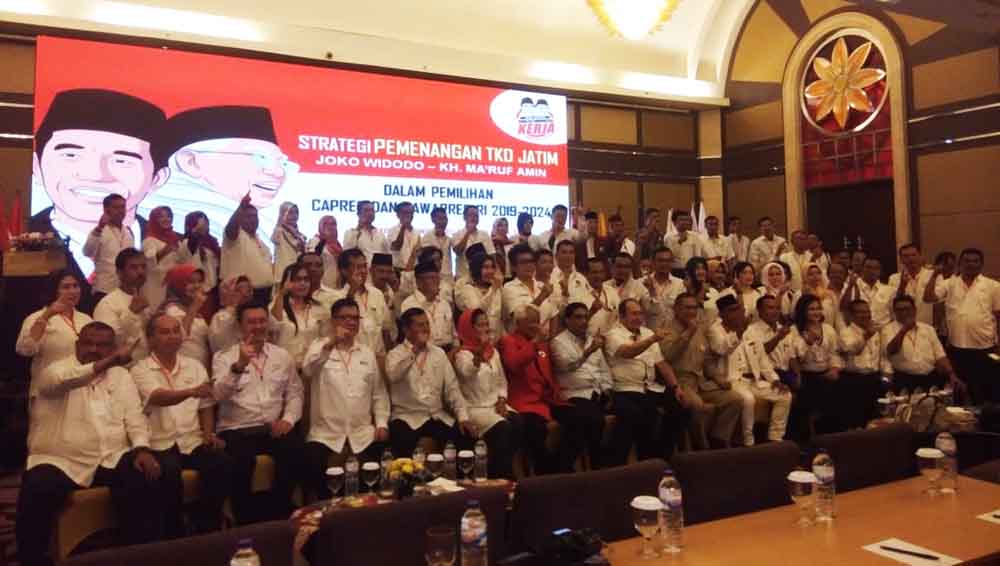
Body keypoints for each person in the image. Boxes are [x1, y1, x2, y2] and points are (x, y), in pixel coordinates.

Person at [16, 322, 165, 566]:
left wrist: (141, 448)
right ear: (77, 345)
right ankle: (32, 559)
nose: (94, 349)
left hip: (111, 457)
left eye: (103, 345)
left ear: (112, 348)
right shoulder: (55, 370)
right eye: (88, 343)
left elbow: (134, 417)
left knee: (145, 473)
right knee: (37, 485)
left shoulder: (121, 375)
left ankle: (136, 553)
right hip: (62, 460)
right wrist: (108, 361)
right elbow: (65, 380)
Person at [30, 89, 166, 290]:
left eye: (122, 160)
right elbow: (88, 251)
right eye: (70, 155)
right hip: (101, 290)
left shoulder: (146, 235)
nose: (95, 174)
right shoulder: (30, 238)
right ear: (37, 167)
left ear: (157, 178)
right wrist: (98, 230)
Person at [132, 313, 231, 535]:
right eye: (165, 332)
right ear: (151, 339)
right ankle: (174, 535)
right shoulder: (140, 369)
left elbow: (205, 404)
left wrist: (208, 433)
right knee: (168, 472)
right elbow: (158, 396)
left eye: (176, 330)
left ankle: (206, 525)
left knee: (221, 462)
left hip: (191, 439)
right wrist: (191, 391)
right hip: (160, 442)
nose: (173, 336)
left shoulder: (194, 366)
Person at [139, 105, 294, 245]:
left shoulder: (256, 235)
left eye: (283, 163)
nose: (279, 172)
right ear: (190, 161)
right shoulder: (152, 231)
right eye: (259, 158)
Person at [211, 302, 304, 524]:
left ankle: (280, 514)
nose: (258, 326)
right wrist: (239, 365)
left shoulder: (282, 356)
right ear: (240, 326)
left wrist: (288, 420)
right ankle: (245, 521)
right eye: (251, 322)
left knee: (295, 448)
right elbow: (218, 395)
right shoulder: (224, 357)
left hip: (272, 426)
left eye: (262, 321)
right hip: (237, 428)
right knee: (241, 459)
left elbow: (295, 394)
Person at [301, 298, 390, 501]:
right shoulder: (319, 346)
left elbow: (379, 394)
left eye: (354, 318)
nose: (350, 322)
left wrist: (382, 423)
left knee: (386, 463)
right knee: (311, 463)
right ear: (333, 321)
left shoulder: (366, 353)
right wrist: (332, 342)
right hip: (326, 434)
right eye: (344, 318)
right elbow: (307, 370)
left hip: (363, 433)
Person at [605, 299, 685, 465]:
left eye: (640, 313)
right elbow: (627, 352)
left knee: (681, 407)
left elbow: (661, 363)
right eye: (634, 313)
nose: (638, 317)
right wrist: (652, 340)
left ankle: (663, 456)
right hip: (624, 388)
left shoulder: (647, 332)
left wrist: (676, 387)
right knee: (642, 414)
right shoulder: (613, 335)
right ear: (621, 316)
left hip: (650, 387)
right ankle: (627, 464)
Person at [385, 308, 473, 457]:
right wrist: (414, 351)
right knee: (401, 439)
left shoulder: (438, 353)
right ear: (406, 330)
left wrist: (463, 416)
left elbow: (452, 389)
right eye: (420, 325)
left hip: (435, 415)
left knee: (466, 435)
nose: (425, 328)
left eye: (427, 324)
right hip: (406, 416)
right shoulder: (395, 354)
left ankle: (457, 479)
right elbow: (394, 375)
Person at [499, 305, 576, 473]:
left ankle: (563, 467)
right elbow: (514, 364)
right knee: (536, 429)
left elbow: (548, 374)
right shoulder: (509, 341)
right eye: (531, 322)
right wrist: (534, 343)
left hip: (546, 399)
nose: (536, 326)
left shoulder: (542, 344)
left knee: (577, 419)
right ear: (519, 322)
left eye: (538, 321)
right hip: (523, 401)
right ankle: (545, 474)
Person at [659, 293, 742, 449]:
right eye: (687, 308)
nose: (691, 312)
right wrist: (687, 333)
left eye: (694, 308)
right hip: (679, 381)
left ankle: (718, 439)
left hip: (701, 382)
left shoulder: (699, 329)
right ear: (676, 309)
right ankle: (700, 447)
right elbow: (668, 357)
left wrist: (717, 378)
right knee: (697, 406)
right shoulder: (666, 330)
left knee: (734, 399)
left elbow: (706, 360)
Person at [924, 248, 1000, 404]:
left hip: (985, 348)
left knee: (986, 392)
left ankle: (986, 425)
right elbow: (928, 298)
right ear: (960, 264)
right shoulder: (949, 284)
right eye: (967, 261)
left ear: (981, 264)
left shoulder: (993, 286)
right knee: (959, 392)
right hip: (957, 349)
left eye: (975, 261)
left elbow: (999, 316)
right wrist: (934, 274)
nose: (971, 264)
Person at [718, 294, 793, 446]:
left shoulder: (751, 332)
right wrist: (739, 331)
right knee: (749, 399)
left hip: (755, 380)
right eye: (734, 311)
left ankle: (775, 438)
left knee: (785, 395)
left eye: (740, 310)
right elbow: (723, 349)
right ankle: (748, 442)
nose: (739, 314)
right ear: (724, 315)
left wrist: (775, 380)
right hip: (735, 381)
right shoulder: (719, 332)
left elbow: (763, 361)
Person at [454, 309, 520, 479]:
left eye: (486, 325)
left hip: (495, 404)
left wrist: (502, 400)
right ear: (469, 328)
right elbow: (468, 372)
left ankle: (504, 471)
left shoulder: (493, 352)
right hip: (476, 408)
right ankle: (500, 477)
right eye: (480, 325)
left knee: (520, 422)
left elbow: (501, 381)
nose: (485, 329)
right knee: (503, 429)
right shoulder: (461, 354)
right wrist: (478, 354)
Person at [551, 302, 613, 469]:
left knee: (628, 412)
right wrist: (587, 352)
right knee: (592, 421)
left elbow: (604, 370)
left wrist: (608, 391)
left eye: (586, 317)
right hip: (574, 394)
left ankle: (605, 466)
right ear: (567, 320)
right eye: (578, 317)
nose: (583, 321)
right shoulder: (558, 342)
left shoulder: (592, 340)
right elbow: (566, 366)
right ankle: (593, 467)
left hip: (597, 393)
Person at [17, 270, 94, 397]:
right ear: (54, 290)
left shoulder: (86, 319)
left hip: (80, 392)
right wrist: (46, 316)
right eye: (66, 287)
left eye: (76, 286)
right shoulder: (36, 317)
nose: (73, 291)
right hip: (48, 392)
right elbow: (24, 350)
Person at [882, 296, 963, 394]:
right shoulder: (887, 330)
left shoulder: (928, 329)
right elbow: (891, 350)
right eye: (899, 310)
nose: (904, 312)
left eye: (907, 309)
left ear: (914, 310)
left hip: (930, 378)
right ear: (894, 312)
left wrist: (952, 375)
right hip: (905, 380)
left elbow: (940, 356)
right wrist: (904, 330)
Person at [789, 294, 843, 442]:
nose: (816, 312)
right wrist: (807, 342)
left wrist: (835, 369)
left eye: (818, 308)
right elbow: (795, 357)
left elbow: (834, 354)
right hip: (805, 375)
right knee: (807, 404)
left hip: (826, 373)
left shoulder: (828, 329)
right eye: (811, 309)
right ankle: (808, 442)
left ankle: (829, 439)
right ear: (803, 311)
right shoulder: (795, 330)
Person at [327, 248, 390, 355]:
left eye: (364, 266)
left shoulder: (377, 294)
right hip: (351, 358)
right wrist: (352, 290)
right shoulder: (335, 297)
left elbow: (385, 330)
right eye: (358, 267)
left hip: (377, 357)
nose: (363, 271)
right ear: (344, 271)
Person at [94, 248, 152, 363]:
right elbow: (108, 343)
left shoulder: (145, 299)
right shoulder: (107, 304)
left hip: (146, 366)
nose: (140, 272)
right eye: (134, 267)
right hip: (121, 370)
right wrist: (131, 312)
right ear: (119, 272)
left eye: (143, 267)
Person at [838, 300, 885, 430]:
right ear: (852, 315)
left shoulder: (876, 331)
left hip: (874, 379)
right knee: (855, 421)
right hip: (854, 381)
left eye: (867, 311)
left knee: (875, 420)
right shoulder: (845, 332)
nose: (865, 315)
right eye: (861, 312)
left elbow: (882, 355)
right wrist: (866, 336)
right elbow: (853, 350)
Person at [271, 263, 329, 367]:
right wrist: (281, 293)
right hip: (284, 367)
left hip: (312, 367)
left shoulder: (318, 308)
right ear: (287, 282)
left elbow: (325, 338)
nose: (303, 283)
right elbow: (275, 324)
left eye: (306, 280)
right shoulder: (277, 306)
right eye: (297, 280)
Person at [84, 194, 137, 302]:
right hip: (104, 289)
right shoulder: (99, 231)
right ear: (106, 210)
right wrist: (99, 228)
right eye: (116, 207)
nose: (120, 211)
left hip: (126, 289)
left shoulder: (128, 232)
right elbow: (87, 252)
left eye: (123, 207)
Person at [222, 195, 274, 305]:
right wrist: (241, 207)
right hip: (242, 295)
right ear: (240, 218)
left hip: (264, 293)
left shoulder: (259, 239)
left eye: (255, 216)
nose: (253, 220)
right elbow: (231, 228)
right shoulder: (235, 236)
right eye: (248, 216)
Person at [161, 265, 211, 369]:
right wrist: (194, 307)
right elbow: (180, 337)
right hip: (182, 369)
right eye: (191, 282)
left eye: (200, 281)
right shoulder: (171, 310)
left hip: (200, 368)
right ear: (179, 284)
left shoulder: (194, 310)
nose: (197, 286)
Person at [401, 261, 458, 351]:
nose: (436, 282)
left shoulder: (444, 303)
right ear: (419, 282)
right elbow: (410, 339)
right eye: (431, 278)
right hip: (423, 352)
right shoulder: (409, 304)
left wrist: (454, 351)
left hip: (449, 351)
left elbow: (454, 336)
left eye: (437, 278)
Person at [747, 294, 800, 388]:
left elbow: (792, 357)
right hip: (767, 375)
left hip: (787, 373)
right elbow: (758, 354)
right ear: (759, 311)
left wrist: (798, 375)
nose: (775, 312)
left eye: (777, 308)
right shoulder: (751, 331)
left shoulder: (783, 329)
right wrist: (778, 337)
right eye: (770, 308)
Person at [502, 243, 555, 334]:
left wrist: (551, 339)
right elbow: (523, 322)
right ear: (513, 267)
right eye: (523, 262)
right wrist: (541, 297)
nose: (529, 265)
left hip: (547, 341)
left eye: (531, 261)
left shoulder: (541, 285)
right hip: (523, 342)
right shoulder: (509, 288)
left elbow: (554, 315)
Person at [457, 251, 504, 342]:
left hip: (497, 341)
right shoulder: (468, 289)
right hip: (476, 343)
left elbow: (502, 318)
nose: (490, 271)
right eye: (485, 267)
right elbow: (477, 311)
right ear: (476, 269)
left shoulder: (497, 289)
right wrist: (493, 290)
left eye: (492, 267)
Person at [141, 206, 181, 310]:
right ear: (154, 219)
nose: (166, 219)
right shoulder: (150, 240)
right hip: (156, 285)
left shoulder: (175, 238)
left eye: (169, 216)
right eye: (161, 216)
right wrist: (164, 251)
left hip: (172, 285)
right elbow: (147, 264)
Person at [176, 211, 221, 303]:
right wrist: (195, 232)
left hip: (212, 291)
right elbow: (192, 244)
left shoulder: (212, 243)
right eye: (199, 222)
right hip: (195, 292)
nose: (204, 226)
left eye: (206, 222)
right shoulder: (186, 243)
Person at [888, 243, 935, 326]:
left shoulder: (932, 275)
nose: (910, 259)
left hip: (926, 325)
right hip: (902, 325)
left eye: (913, 255)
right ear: (901, 259)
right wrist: (902, 285)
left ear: (920, 256)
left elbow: (938, 301)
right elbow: (893, 304)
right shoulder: (894, 278)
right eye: (906, 256)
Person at [573, 256, 620, 337]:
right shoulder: (577, 294)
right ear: (585, 274)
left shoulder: (611, 291)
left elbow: (620, 315)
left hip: (612, 339)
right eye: (594, 272)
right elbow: (574, 326)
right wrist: (591, 311)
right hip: (587, 340)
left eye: (601, 272)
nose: (598, 276)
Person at [208, 275, 254, 354]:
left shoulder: (256, 313)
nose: (245, 294)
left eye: (248, 290)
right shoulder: (219, 317)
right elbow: (218, 345)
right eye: (238, 290)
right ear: (226, 293)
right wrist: (233, 307)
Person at [843, 257, 892, 330]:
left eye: (876, 268)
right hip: (857, 331)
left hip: (883, 331)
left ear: (880, 271)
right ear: (862, 268)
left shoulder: (889, 290)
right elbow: (844, 309)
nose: (872, 271)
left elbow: (894, 315)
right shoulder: (850, 286)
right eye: (868, 267)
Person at [645, 247, 686, 330]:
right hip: (648, 334)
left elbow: (682, 311)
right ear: (653, 262)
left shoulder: (680, 284)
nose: (664, 264)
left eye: (668, 261)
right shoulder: (642, 283)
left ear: (672, 262)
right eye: (660, 260)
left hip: (673, 334)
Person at [452, 205, 496, 280]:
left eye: (476, 216)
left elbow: (492, 255)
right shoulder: (457, 234)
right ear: (464, 217)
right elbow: (458, 251)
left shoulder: (484, 234)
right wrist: (468, 232)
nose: (473, 218)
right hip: (463, 277)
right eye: (471, 215)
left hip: (482, 277)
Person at [271, 202, 306, 284]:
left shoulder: (300, 235)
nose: (294, 216)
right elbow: (274, 238)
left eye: (296, 212)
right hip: (283, 277)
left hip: (297, 275)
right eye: (290, 212)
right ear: (282, 214)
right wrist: (279, 223)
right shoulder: (280, 231)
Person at [307, 215, 342, 290]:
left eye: (333, 224)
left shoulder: (338, 245)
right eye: (327, 224)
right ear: (321, 226)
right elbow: (312, 259)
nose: (331, 227)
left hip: (337, 287)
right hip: (321, 286)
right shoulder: (315, 241)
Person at [419, 206, 454, 280]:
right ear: (433, 219)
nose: (443, 221)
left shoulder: (449, 239)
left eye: (445, 218)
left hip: (448, 277)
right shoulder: (426, 238)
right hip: (431, 276)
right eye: (440, 219)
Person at [387, 201, 421, 270]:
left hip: (414, 270)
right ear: (398, 215)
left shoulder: (417, 232)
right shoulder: (392, 230)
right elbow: (396, 247)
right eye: (405, 212)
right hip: (398, 269)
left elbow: (419, 253)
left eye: (411, 212)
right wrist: (403, 227)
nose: (409, 215)